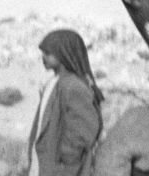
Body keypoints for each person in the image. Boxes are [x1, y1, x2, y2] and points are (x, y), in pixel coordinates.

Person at [28, 29, 104, 176]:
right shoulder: (55, 82)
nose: (43, 57)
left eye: (48, 53)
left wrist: (67, 162)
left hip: (62, 169)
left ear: (63, 53)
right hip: (47, 164)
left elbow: (83, 130)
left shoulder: (72, 85)